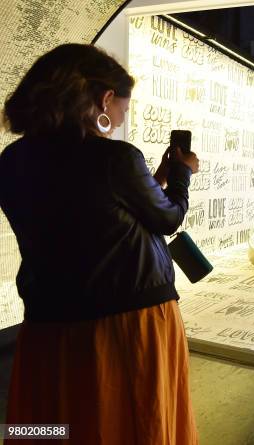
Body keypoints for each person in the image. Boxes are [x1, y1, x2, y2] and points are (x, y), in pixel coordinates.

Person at [0, 44, 200, 444]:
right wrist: (181, 175)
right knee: (133, 422)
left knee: (53, 423)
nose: (121, 117)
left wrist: (152, 178)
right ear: (105, 99)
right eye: (123, 107)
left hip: (48, 325)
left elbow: (88, 210)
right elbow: (169, 217)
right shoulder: (116, 159)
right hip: (127, 324)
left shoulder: (11, 160)